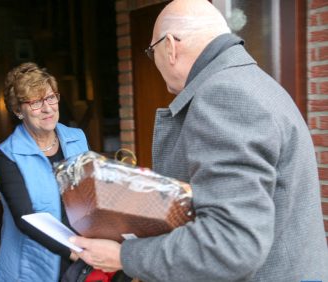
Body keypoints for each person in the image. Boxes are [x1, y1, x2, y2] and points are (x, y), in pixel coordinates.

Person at [69, 0, 328, 281]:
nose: (153, 60)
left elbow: (231, 244)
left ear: (170, 46)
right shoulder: (256, 82)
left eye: (150, 51)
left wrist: (124, 256)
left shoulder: (225, 94)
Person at [0, 62, 88, 281]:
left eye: (51, 97)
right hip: (32, 266)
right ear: (17, 110)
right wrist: (75, 253)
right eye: (36, 102)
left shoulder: (77, 138)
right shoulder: (6, 156)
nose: (48, 108)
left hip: (81, 259)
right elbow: (26, 217)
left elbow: (90, 193)